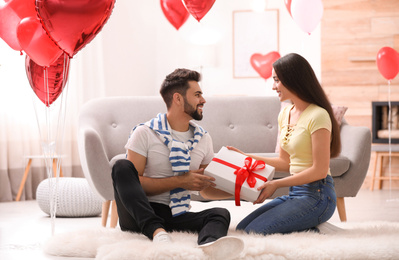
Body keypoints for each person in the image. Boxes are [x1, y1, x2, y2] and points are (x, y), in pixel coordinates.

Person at [111, 68, 243, 258]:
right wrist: (181, 181)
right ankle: (156, 232)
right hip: (139, 213)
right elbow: (133, 185)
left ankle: (209, 246)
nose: (203, 100)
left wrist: (241, 192)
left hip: (175, 214)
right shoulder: (145, 132)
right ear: (178, 99)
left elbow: (205, 188)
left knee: (220, 213)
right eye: (197, 95)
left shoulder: (203, 138)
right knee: (121, 167)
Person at [228, 53, 341, 235]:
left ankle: (313, 228)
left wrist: (276, 184)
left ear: (293, 79)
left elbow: (320, 170)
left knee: (254, 232)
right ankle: (306, 226)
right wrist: (245, 156)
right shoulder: (285, 113)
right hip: (295, 193)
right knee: (242, 229)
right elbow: (284, 162)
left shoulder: (318, 115)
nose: (273, 86)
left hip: (318, 195)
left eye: (277, 80)